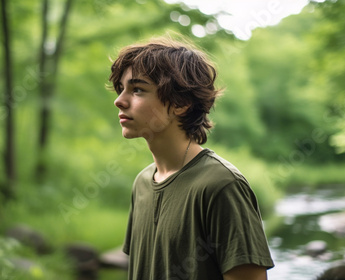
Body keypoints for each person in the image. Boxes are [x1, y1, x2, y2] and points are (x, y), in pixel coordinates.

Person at [109, 36, 274, 280]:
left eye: (138, 90)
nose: (119, 101)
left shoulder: (221, 185)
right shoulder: (142, 182)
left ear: (181, 103)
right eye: (121, 89)